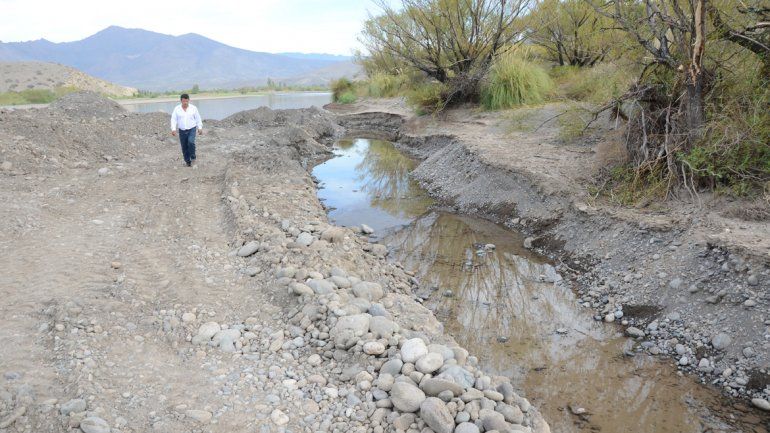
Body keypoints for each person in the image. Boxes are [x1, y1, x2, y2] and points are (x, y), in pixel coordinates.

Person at [170, 93, 203, 167]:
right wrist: (173, 129)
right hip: (182, 130)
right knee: (184, 146)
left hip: (192, 128)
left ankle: (193, 157)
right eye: (183, 101)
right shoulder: (177, 109)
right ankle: (187, 161)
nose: (185, 103)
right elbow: (173, 119)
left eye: (186, 101)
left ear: (189, 100)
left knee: (191, 142)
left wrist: (200, 127)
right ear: (181, 101)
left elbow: (198, 118)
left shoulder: (193, 108)